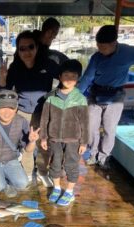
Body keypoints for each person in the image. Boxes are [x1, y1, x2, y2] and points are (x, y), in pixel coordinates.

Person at [0, 30, 58, 187]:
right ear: (18, 51)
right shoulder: (15, 67)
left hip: (43, 112)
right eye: (22, 48)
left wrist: (59, 98)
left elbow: (67, 78)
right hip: (23, 112)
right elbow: (6, 89)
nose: (26, 52)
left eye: (30, 47)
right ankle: (27, 171)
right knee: (27, 144)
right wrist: (3, 77)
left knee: (43, 144)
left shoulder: (48, 64)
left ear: (37, 47)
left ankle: (42, 172)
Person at [78, 25, 134, 170]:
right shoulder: (96, 57)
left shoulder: (128, 52)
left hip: (115, 97)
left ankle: (103, 157)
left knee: (110, 129)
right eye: (98, 46)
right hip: (95, 95)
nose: (100, 50)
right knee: (92, 127)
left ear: (114, 43)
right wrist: (76, 95)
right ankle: (93, 153)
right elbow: (87, 77)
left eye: (103, 47)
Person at [40, 59, 88, 206]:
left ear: (78, 78)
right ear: (60, 77)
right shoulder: (50, 97)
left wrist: (84, 141)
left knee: (71, 165)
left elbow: (85, 123)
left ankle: (69, 191)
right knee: (54, 163)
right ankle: (56, 188)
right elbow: (44, 119)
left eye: (73, 76)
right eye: (66, 75)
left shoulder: (80, 99)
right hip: (54, 139)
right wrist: (43, 137)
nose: (69, 79)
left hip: (73, 140)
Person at [0, 90, 40, 198]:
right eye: (3, 107)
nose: (7, 112)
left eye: (11, 108)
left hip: (10, 159)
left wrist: (32, 141)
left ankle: (4, 181)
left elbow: (28, 150)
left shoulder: (22, 122)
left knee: (23, 183)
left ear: (16, 109)